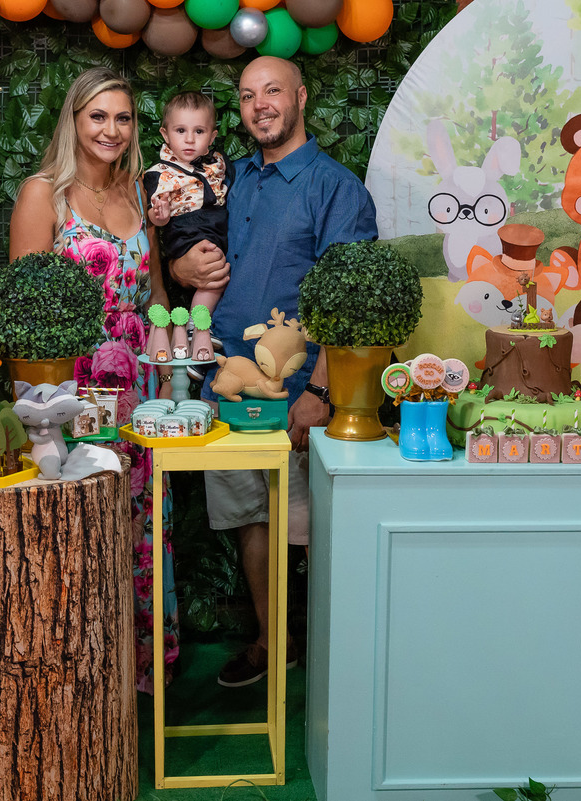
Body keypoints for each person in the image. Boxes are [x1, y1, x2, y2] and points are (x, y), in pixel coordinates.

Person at [171, 56, 379, 687]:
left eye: (272, 92)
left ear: (301, 97)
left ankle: (332, 659)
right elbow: (178, 244)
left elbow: (349, 301)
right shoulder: (224, 178)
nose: (260, 104)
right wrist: (181, 270)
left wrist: (320, 390)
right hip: (225, 391)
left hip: (296, 394)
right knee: (249, 517)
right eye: (247, 94)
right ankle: (274, 642)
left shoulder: (335, 187)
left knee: (311, 527)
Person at [10, 67, 178, 694]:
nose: (111, 129)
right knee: (82, 516)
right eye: (98, 117)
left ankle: (140, 676)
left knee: (141, 519)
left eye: (123, 117)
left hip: (143, 382)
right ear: (74, 122)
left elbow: (157, 292)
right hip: (75, 383)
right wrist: (39, 409)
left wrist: (172, 344)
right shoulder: (43, 195)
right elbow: (27, 311)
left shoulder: (141, 193)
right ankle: (79, 671)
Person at [143, 90, 233, 361]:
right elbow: (153, 218)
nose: (190, 139)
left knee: (219, 271)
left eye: (199, 131)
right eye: (180, 130)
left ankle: (197, 329)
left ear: (212, 137)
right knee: (215, 273)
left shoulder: (216, 163)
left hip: (213, 226)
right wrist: (160, 215)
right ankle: (197, 328)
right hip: (184, 230)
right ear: (165, 134)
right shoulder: (160, 173)